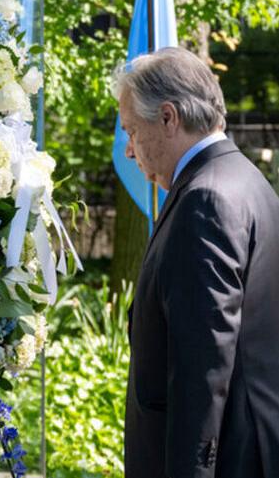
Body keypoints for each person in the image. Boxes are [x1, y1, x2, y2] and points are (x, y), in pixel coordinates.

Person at [114, 46, 279, 478]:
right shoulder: (247, 181)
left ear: (168, 117)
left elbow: (201, 370)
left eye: (131, 131)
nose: (130, 151)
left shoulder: (206, 199)